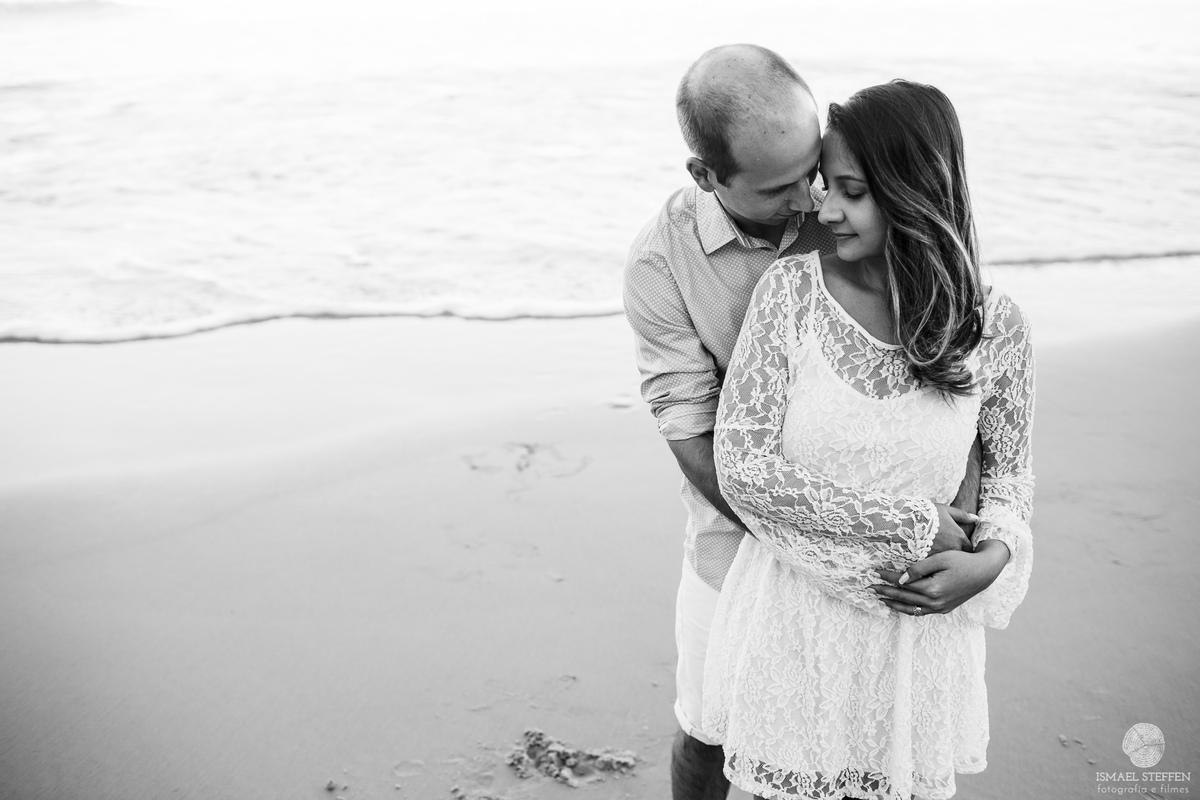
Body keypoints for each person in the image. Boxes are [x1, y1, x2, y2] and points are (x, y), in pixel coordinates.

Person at [623, 46, 985, 800]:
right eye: (780, 187)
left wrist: (969, 534)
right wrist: (822, 537)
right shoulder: (662, 265)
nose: (809, 203)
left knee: (861, 744)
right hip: (740, 537)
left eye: (816, 171)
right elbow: (695, 442)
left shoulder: (855, 212)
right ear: (706, 177)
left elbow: (954, 382)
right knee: (708, 729)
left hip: (899, 541)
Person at [702, 80, 1036, 800]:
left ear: (913, 190)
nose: (825, 211)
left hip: (918, 641)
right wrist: (913, 523)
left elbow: (1010, 478)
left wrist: (992, 562)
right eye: (827, 185)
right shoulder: (792, 295)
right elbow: (742, 468)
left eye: (851, 191)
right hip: (795, 626)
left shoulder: (996, 327)